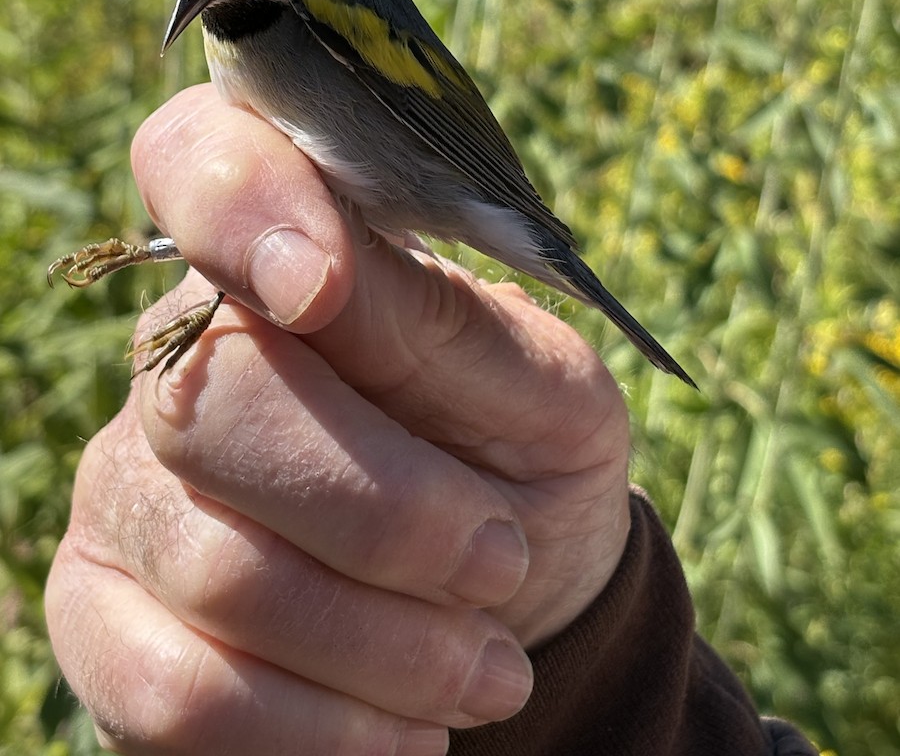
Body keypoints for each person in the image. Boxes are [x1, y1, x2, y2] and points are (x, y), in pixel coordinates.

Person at [45, 85, 817, 756]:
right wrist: (580, 675)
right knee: (278, 247)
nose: (193, 7)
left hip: (435, 179)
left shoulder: (309, 4)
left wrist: (586, 672)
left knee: (295, 254)